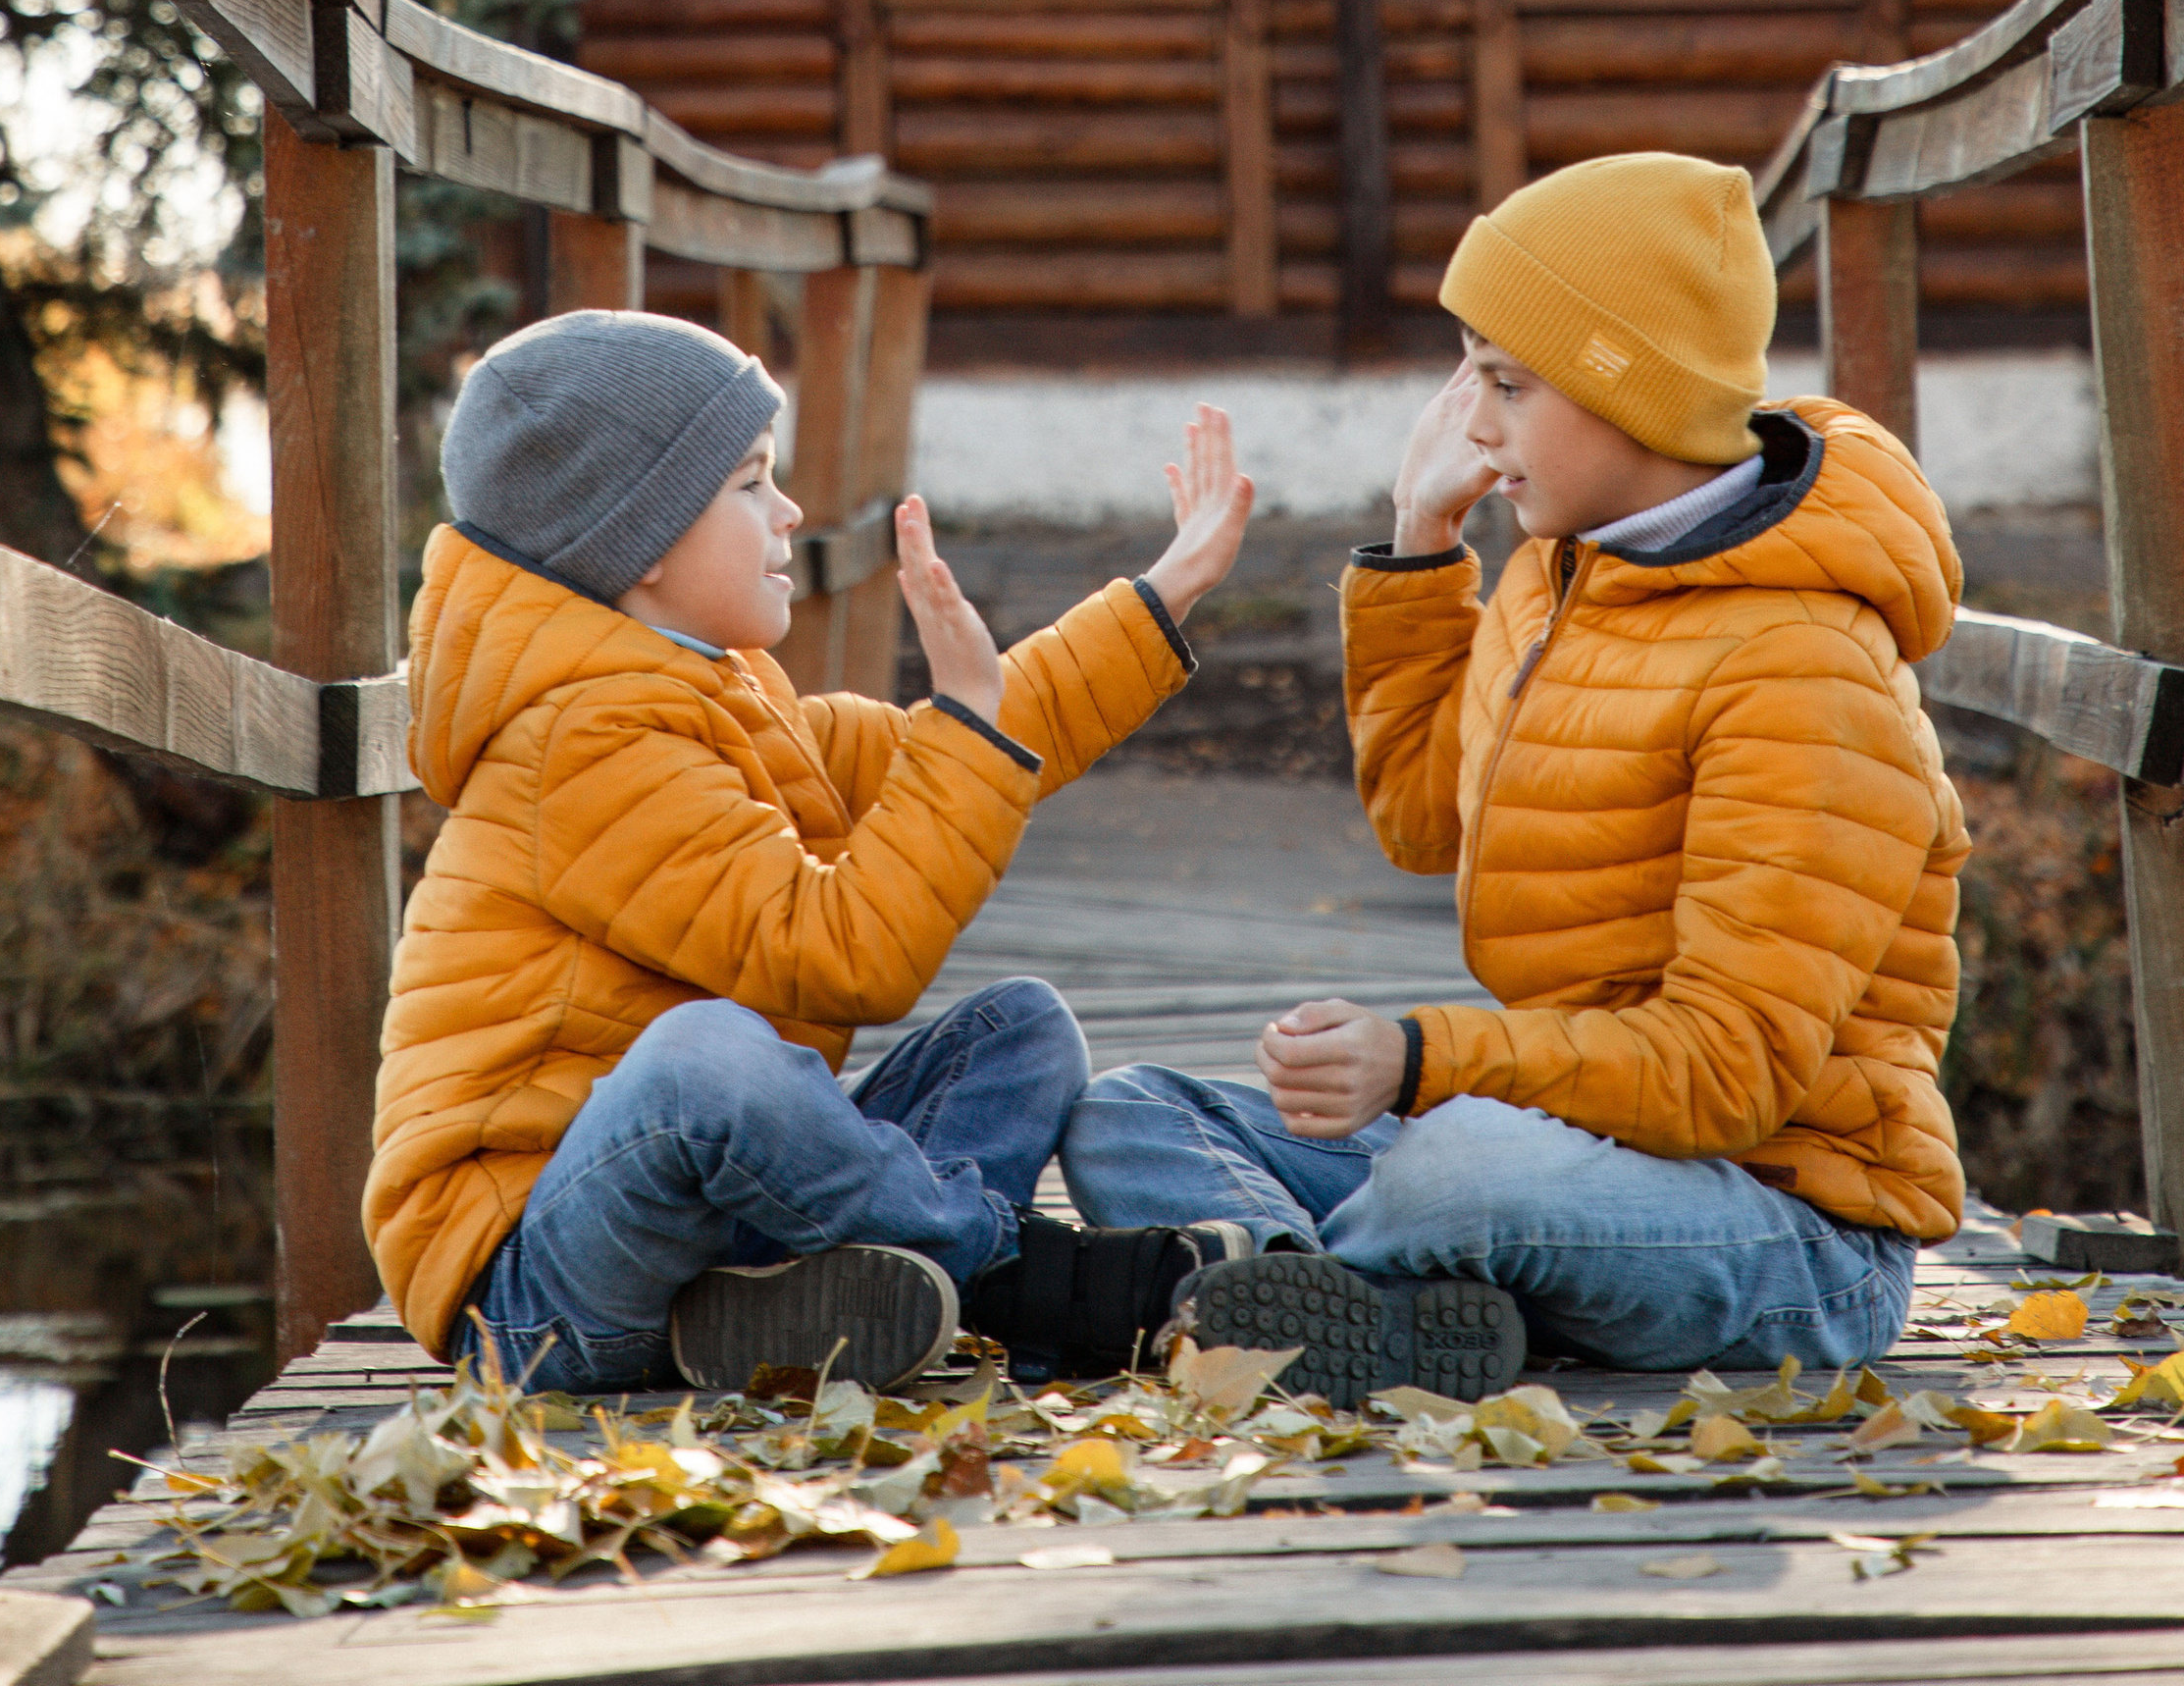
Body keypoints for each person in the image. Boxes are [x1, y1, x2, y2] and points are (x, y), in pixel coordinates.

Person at [1063, 152, 1969, 1391]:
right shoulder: (1563, 570)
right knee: (1132, 1110)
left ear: (1630, 395)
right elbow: (1421, 820)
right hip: (1571, 1140)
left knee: (1459, 1170)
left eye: (1505, 383)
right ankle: (1320, 1300)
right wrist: (1420, 544)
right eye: (1468, 378)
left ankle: (1269, 1292)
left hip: (1789, 1227)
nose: (1472, 426)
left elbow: (1725, 1073)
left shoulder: (1803, 670)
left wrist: (1418, 1061)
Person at [363, 307, 1258, 1396]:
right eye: (750, 483)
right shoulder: (581, 742)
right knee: (704, 1059)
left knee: (1017, 1030)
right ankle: (1012, 1275)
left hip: (700, 1222)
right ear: (639, 540)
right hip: (537, 1286)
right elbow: (843, 956)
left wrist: (1167, 591)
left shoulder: (716, 694)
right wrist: (966, 728)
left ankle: (816, 1295)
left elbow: (967, 740)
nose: (789, 510)